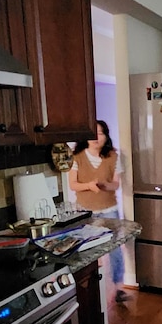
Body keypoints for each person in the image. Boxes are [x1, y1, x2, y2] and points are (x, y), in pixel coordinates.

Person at [68, 120, 127, 300]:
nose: (96, 138)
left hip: (109, 209)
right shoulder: (76, 157)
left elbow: (116, 184)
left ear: (106, 136)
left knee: (115, 248)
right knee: (86, 250)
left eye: (100, 133)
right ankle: (89, 288)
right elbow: (73, 185)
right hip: (85, 211)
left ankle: (118, 287)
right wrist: (89, 185)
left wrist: (106, 185)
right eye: (92, 133)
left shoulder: (113, 156)